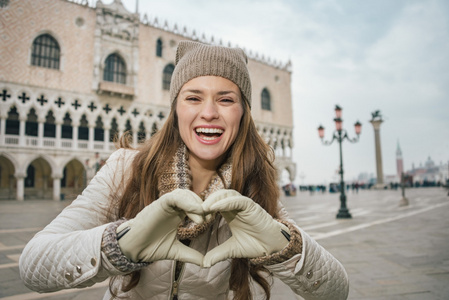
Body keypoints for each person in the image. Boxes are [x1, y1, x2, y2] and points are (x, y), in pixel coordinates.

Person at [19, 41, 349, 300]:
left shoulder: (253, 191)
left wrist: (285, 248)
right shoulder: (126, 168)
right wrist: (120, 245)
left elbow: (336, 292)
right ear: (175, 108)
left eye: (226, 99)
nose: (209, 113)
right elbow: (33, 265)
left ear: (243, 114)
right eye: (193, 97)